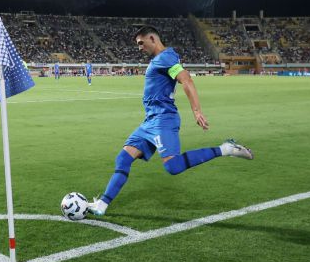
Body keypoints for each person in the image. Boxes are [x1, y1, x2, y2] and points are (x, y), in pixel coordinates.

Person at [86, 25, 253, 217]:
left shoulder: (166, 57)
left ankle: (226, 149)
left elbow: (187, 80)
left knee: (173, 167)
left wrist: (197, 111)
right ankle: (102, 204)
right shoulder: (159, 59)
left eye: (141, 43)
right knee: (123, 158)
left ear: (152, 38)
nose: (139, 48)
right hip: (150, 121)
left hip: (163, 120)